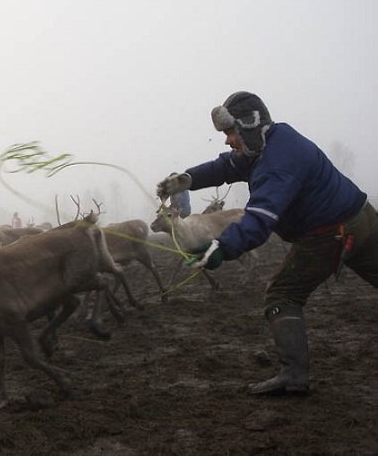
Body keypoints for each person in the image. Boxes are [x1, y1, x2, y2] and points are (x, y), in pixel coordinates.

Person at [156, 91, 378, 396]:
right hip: (362, 217)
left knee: (281, 295)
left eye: (230, 132)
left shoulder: (276, 163)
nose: (227, 140)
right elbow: (226, 167)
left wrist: (219, 247)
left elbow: (259, 218)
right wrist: (187, 179)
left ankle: (294, 376)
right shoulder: (272, 140)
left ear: (248, 126)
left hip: (330, 233)